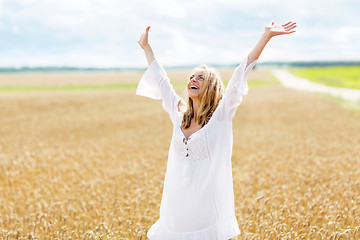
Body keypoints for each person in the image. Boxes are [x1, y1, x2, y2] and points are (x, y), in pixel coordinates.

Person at [136, 21, 296, 240]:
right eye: (192, 76)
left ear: (211, 86)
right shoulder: (179, 113)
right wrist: (146, 47)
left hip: (205, 211)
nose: (193, 79)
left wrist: (265, 36)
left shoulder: (220, 117)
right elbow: (161, 79)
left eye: (201, 78)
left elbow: (241, 74)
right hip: (175, 209)